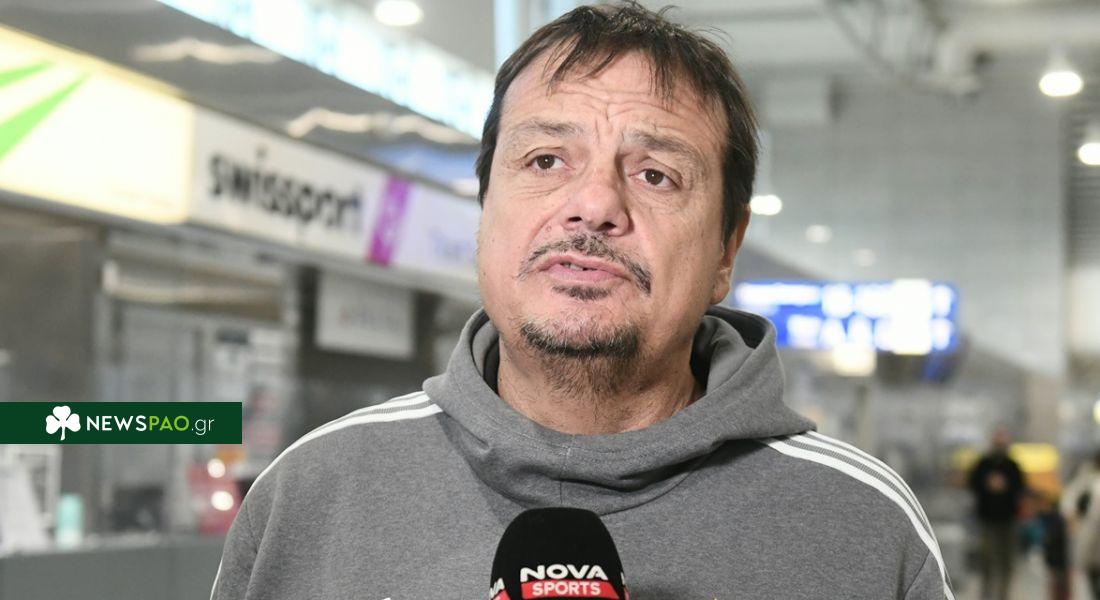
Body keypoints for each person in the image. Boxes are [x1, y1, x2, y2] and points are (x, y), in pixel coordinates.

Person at [209, 3, 953, 598]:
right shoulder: (311, 495)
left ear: (726, 249)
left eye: (656, 175)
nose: (593, 205)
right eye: (545, 160)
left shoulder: (865, 529)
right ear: (485, 210)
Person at [967, 427, 1025, 600]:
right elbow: (973, 484)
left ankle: (1003, 595)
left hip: (1008, 520)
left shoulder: (1013, 466)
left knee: (1007, 562)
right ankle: (986, 595)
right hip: (988, 519)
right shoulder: (983, 464)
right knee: (987, 561)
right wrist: (988, 484)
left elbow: (1020, 488)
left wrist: (1005, 486)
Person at [1062, 450, 1100, 599]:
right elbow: (1069, 500)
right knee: (1090, 568)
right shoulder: (1086, 479)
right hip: (1090, 529)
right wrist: (1072, 519)